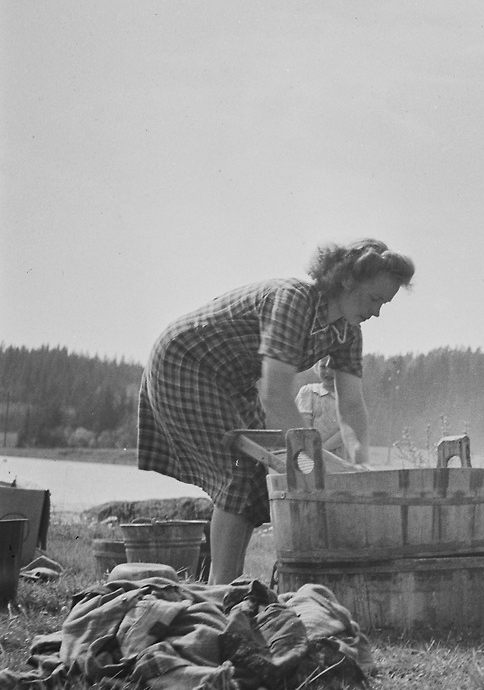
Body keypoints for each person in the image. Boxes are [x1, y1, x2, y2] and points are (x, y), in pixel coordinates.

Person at [137, 239, 415, 584]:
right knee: (239, 473)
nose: (377, 312)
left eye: (384, 304)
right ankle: (222, 590)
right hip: (184, 363)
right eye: (375, 298)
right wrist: (311, 460)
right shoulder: (295, 300)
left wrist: (359, 465)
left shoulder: (348, 331)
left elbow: (353, 406)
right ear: (347, 281)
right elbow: (275, 394)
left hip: (232, 382)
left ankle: (224, 587)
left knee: (258, 479)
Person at [294, 360, 346, 455]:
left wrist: (322, 450)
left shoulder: (347, 397)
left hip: (338, 456)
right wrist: (314, 449)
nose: (328, 371)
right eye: (323, 367)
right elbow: (304, 424)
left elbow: (346, 431)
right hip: (309, 453)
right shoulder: (309, 392)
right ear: (316, 368)